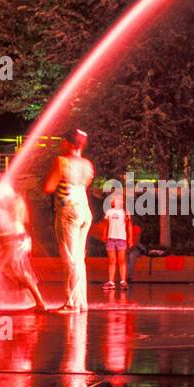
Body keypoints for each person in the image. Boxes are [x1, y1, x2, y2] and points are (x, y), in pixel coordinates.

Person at [42, 130, 94, 313]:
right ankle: (81, 302)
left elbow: (48, 187)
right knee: (79, 258)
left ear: (67, 143)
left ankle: (72, 303)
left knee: (71, 259)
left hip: (68, 210)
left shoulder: (62, 161)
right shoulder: (87, 165)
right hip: (84, 210)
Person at [102, 192, 129, 291]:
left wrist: (129, 238)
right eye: (112, 199)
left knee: (121, 261)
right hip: (111, 239)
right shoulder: (109, 212)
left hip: (121, 238)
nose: (113, 201)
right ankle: (111, 282)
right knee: (112, 261)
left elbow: (128, 225)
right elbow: (106, 224)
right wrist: (104, 235)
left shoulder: (124, 212)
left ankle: (123, 281)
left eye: (115, 199)